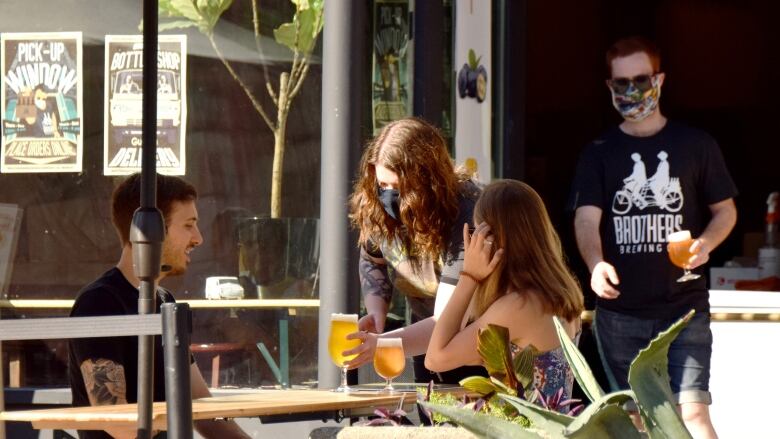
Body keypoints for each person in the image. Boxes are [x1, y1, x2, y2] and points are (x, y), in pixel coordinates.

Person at [569, 36, 737, 438]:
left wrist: (706, 245)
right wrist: (595, 265)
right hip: (620, 315)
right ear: (609, 86)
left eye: (639, 79)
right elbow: (585, 219)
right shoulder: (599, 152)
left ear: (659, 79)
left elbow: (725, 211)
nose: (631, 90)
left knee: (693, 415)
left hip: (685, 311)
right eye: (620, 82)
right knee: (635, 421)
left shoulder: (696, 145)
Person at [67, 173, 250, 439]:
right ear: (148, 231)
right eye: (188, 225)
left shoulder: (165, 302)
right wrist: (176, 421)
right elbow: (118, 422)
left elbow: (201, 407)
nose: (198, 238)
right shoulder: (100, 302)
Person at [344, 117, 486, 384]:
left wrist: (381, 344)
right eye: (382, 185)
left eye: (398, 187)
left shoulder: (468, 214)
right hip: (426, 343)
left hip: (481, 348)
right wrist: (376, 313)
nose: (388, 195)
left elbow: (448, 320)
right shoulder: (378, 208)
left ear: (427, 179)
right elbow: (372, 259)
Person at [425, 180, 584, 411]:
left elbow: (436, 358)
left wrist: (469, 276)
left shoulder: (519, 306)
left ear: (491, 237)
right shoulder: (559, 294)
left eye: (477, 233)